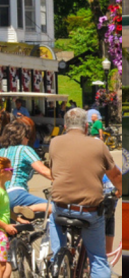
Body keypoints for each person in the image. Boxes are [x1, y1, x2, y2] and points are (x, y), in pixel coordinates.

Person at [46, 107, 121, 278]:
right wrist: (121, 191)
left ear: (65, 126)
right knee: (98, 260)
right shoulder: (98, 145)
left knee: (53, 217)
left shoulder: (55, 142)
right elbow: (115, 175)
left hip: (62, 207)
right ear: (86, 127)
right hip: (89, 211)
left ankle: (58, 259)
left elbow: (53, 173)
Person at [0, 121, 52, 217]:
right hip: (17, 194)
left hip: (2, 198)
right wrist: (61, 179)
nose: (28, 140)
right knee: (56, 208)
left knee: (14, 229)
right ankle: (30, 208)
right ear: (22, 137)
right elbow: (44, 171)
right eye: (27, 137)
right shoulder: (25, 150)